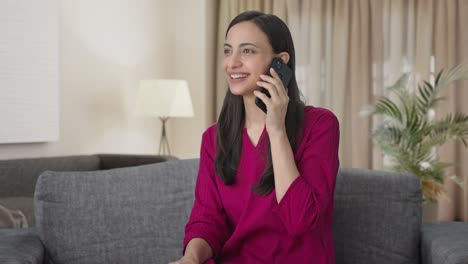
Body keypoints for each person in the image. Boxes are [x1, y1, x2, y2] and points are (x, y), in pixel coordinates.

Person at [170, 10, 340, 264]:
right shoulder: (213, 138)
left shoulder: (321, 125)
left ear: (279, 63)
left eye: (247, 51)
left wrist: (277, 130)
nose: (232, 62)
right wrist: (190, 258)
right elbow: (207, 221)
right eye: (228, 51)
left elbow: (301, 222)